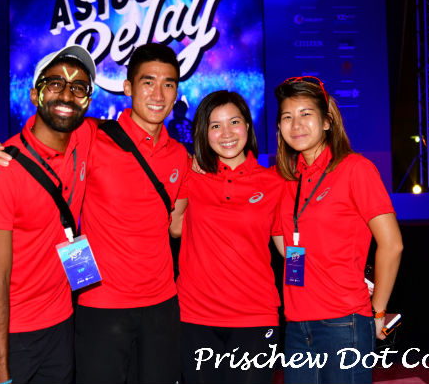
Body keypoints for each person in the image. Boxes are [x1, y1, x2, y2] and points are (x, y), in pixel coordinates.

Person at [0, 45, 97, 384]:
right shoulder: (1, 168)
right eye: (55, 84)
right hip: (7, 330)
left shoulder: (85, 138)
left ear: (87, 101)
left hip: (59, 323)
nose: (66, 94)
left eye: (78, 87)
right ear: (35, 94)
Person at [273, 76, 403, 384]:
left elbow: (392, 245)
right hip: (297, 324)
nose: (296, 124)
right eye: (287, 117)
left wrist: (378, 311)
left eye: (306, 114)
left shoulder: (355, 169)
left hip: (345, 323)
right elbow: (283, 240)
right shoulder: (285, 179)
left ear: (327, 121)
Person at [74, 43, 189, 383]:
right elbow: (41, 143)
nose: (158, 94)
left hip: (162, 305)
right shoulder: (91, 136)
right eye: (148, 82)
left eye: (168, 84)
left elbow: (177, 226)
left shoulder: (179, 156)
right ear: (128, 87)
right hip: (101, 304)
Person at [169, 90, 284, 384]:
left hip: (255, 317)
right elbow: (175, 227)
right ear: (203, 132)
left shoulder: (273, 182)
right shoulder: (192, 175)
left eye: (234, 122)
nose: (227, 133)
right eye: (215, 125)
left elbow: (290, 248)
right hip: (195, 317)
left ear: (247, 125)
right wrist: (187, 166)